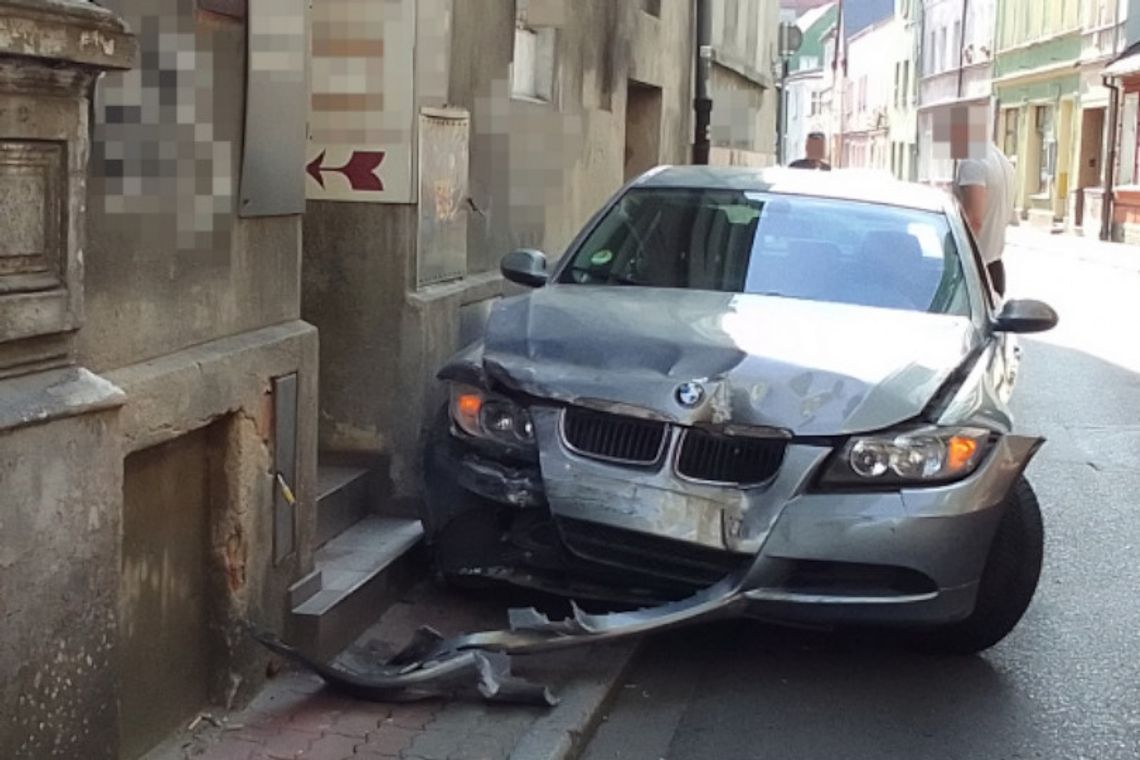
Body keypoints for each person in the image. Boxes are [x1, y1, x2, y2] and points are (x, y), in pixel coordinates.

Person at [949, 104, 1017, 297]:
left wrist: (955, 260)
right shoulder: (1003, 160)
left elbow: (973, 219)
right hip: (995, 266)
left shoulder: (972, 161)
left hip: (975, 267)